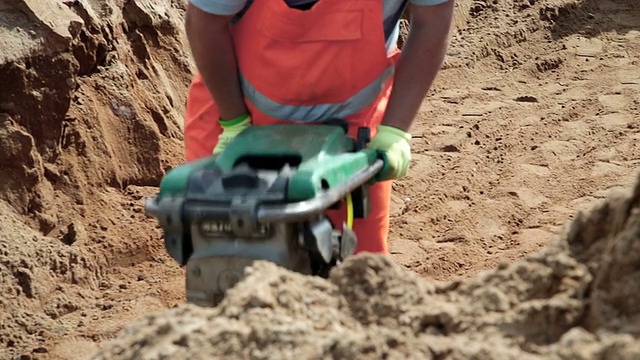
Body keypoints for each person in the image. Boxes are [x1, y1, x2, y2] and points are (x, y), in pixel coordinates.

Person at [183, 0, 455, 255]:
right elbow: (205, 22)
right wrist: (234, 122)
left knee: (357, 276)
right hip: (232, 105)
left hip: (353, 127)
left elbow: (432, 21)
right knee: (220, 267)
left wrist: (395, 131)